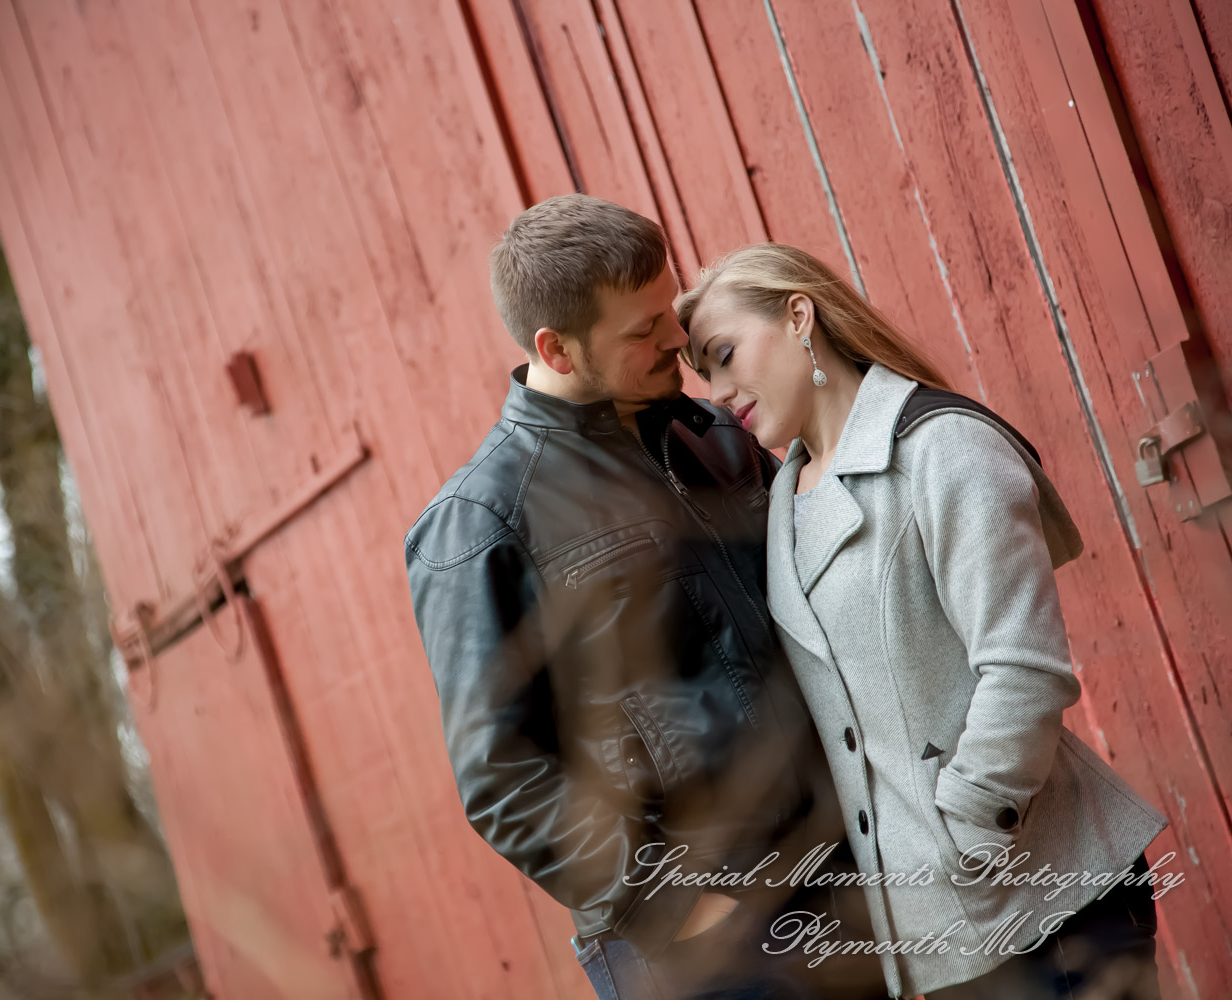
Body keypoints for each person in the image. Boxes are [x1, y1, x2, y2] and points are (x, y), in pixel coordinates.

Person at [404, 195, 888, 1000]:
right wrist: (677, 908)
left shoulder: (721, 433)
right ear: (554, 346)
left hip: (846, 876)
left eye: (669, 307)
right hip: (708, 944)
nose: (678, 336)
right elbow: (501, 775)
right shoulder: (482, 523)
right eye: (642, 329)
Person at [675, 242, 1170, 1000]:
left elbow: (1025, 670)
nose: (717, 389)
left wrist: (966, 837)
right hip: (933, 940)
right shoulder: (782, 501)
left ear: (800, 317)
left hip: (1044, 904)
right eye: (703, 372)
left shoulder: (943, 449)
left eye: (725, 353)